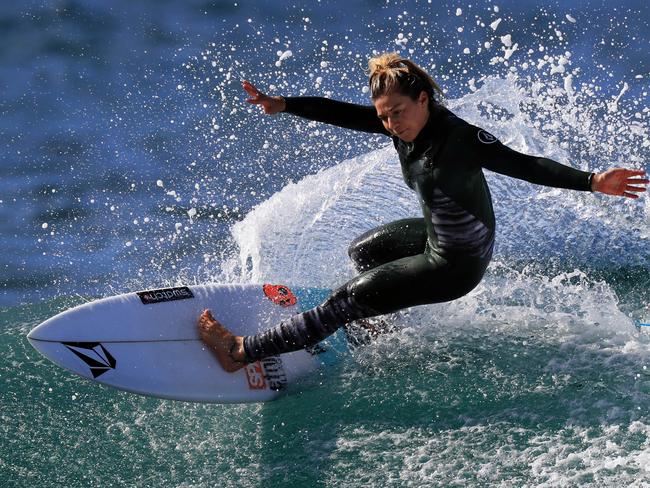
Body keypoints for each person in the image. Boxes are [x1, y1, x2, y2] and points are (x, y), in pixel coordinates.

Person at [198, 52, 648, 372]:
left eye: (397, 113)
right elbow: (344, 114)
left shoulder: (459, 138)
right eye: (385, 117)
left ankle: (241, 351)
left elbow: (522, 163)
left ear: (424, 100)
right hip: (439, 235)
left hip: (456, 262)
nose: (391, 124)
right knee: (364, 251)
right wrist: (286, 105)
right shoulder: (401, 126)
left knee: (343, 300)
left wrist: (592, 181)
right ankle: (379, 326)